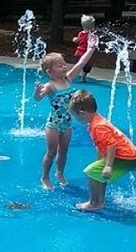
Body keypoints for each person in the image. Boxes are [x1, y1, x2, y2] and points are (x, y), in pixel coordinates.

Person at [33, 33, 97, 190]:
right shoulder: (50, 86)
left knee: (64, 152)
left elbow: (81, 63)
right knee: (51, 152)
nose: (65, 67)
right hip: (53, 124)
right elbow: (38, 99)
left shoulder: (68, 79)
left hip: (67, 124)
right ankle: (45, 177)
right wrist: (36, 92)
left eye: (64, 64)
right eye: (60, 65)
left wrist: (91, 48)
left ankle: (59, 173)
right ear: (49, 72)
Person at [68, 90, 136, 212]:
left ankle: (94, 203)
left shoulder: (98, 126)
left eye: (76, 117)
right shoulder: (97, 120)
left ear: (82, 113)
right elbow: (103, 146)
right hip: (129, 156)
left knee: (90, 172)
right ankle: (100, 201)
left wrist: (108, 166)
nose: (76, 119)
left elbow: (112, 145)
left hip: (124, 158)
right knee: (99, 173)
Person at [72, 14, 96, 82]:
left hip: (78, 53)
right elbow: (91, 44)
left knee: (78, 65)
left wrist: (75, 39)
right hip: (85, 53)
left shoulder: (80, 33)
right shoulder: (91, 35)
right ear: (92, 26)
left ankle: (72, 76)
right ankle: (83, 78)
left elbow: (77, 40)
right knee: (87, 67)